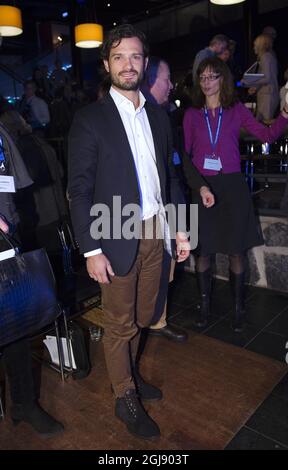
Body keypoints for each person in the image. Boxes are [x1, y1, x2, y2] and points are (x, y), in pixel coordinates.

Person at [68, 24, 213, 440]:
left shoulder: (158, 114)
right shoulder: (90, 120)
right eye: (118, 57)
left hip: (158, 232)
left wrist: (180, 231)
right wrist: (90, 249)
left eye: (134, 56)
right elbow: (78, 189)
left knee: (146, 316)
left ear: (145, 64)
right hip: (114, 231)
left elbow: (168, 178)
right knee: (119, 323)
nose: (128, 64)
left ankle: (128, 375)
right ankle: (124, 394)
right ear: (107, 65)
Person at [183, 57, 288, 333]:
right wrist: (195, 185)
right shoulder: (192, 114)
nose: (207, 82)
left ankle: (239, 310)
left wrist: (285, 116)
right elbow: (184, 155)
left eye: (212, 77)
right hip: (202, 185)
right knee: (202, 251)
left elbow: (266, 135)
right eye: (202, 77)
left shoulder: (236, 110)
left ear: (223, 79)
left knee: (236, 252)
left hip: (232, 187)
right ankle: (204, 308)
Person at [0, 121, 64, 437]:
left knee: (16, 327)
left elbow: (14, 185)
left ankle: (25, 404)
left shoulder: (1, 133)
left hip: (7, 243)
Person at [142, 56, 207, 343]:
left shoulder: (164, 115)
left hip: (172, 202)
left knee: (167, 267)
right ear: (152, 80)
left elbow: (179, 162)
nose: (171, 85)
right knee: (150, 270)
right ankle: (144, 323)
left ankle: (157, 320)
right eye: (167, 79)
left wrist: (201, 186)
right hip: (145, 210)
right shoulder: (141, 117)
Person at [241, 34, 279, 122]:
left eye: (255, 45)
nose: (254, 48)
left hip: (268, 95)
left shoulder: (266, 57)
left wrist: (248, 83)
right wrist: (255, 87)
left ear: (260, 45)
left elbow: (267, 78)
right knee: (260, 122)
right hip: (266, 94)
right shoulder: (267, 57)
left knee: (266, 123)